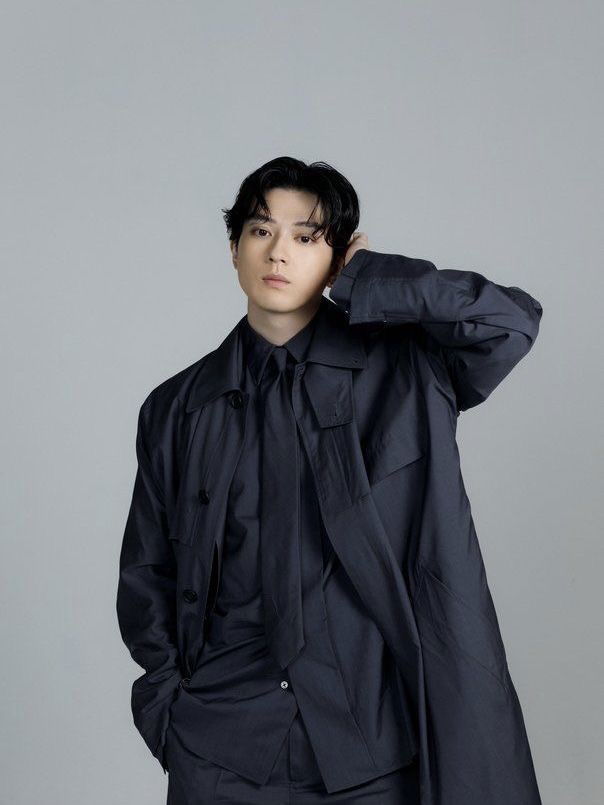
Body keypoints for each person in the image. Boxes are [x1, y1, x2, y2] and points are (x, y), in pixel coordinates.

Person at [116, 156, 544, 804]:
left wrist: (370, 279)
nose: (278, 251)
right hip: (220, 752)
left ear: (337, 256)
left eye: (307, 235)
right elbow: (147, 574)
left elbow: (509, 324)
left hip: (371, 754)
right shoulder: (177, 408)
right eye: (261, 231)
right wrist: (168, 713)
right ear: (233, 249)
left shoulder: (404, 373)